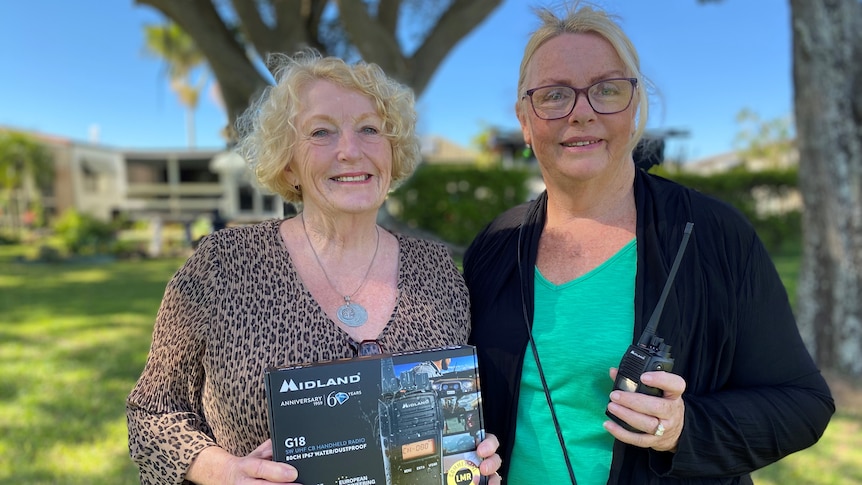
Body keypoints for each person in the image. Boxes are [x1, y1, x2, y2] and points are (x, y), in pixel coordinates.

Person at [463, 4, 834, 485]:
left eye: (607, 90)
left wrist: (683, 428)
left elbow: (803, 403)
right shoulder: (494, 247)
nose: (581, 112)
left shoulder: (712, 235)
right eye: (554, 95)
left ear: (635, 106)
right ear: (525, 121)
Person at [126, 50, 502, 485]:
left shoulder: (437, 271)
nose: (350, 150)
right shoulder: (224, 265)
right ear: (288, 162)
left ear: (392, 151)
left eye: (369, 129)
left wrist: (474, 458)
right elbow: (152, 411)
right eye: (321, 132)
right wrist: (224, 472)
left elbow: (459, 411)